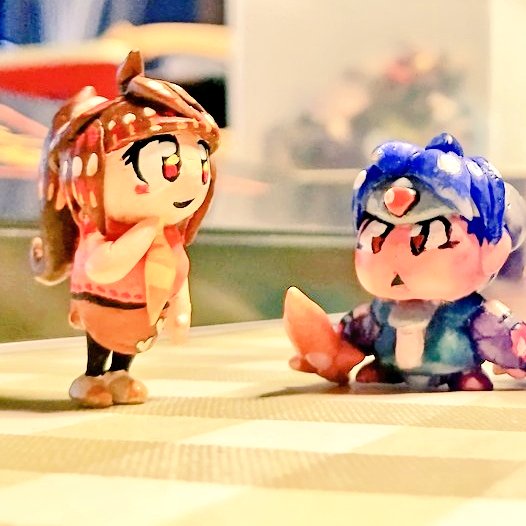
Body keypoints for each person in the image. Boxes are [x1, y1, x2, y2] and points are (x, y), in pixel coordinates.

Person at [31, 50, 220, 407]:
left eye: (201, 167)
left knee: (129, 344)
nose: (189, 183)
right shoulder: (103, 233)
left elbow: (177, 276)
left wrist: (180, 308)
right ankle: (92, 375)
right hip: (104, 304)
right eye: (168, 167)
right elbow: (101, 268)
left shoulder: (169, 238)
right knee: (100, 338)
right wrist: (141, 235)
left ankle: (121, 373)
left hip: (143, 313)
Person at [285, 133, 526, 391]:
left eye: (431, 237)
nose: (398, 259)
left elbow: (505, 338)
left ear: (492, 249)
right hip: (386, 374)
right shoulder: (378, 313)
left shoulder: (472, 313)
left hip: (459, 373)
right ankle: (386, 367)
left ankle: (459, 374)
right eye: (375, 238)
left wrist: (516, 357)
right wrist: (330, 350)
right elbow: (353, 337)